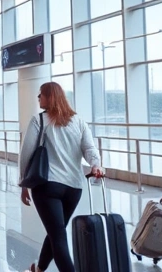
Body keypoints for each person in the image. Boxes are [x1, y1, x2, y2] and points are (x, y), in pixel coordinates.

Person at [18, 81, 103, 272]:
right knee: (56, 231)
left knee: (57, 236)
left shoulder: (39, 120)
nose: (38, 97)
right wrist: (96, 164)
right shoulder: (78, 121)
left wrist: (23, 184)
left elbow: (26, 154)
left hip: (47, 186)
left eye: (41, 94)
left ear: (50, 97)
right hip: (73, 188)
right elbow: (89, 148)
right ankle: (39, 269)